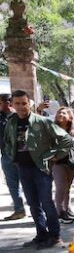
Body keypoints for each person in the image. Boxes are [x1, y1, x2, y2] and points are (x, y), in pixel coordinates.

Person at [1, 90, 74, 248]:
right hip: (23, 168)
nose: (21, 106)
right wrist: (12, 157)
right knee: (33, 204)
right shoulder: (11, 123)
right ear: (12, 104)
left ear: (29, 104)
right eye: (17, 103)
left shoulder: (42, 121)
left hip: (41, 169)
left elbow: (66, 140)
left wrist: (53, 156)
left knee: (46, 203)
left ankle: (54, 237)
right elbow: (6, 142)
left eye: (24, 103)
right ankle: (41, 234)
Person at [52, 107, 74, 224]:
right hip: (57, 162)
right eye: (59, 112)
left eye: (63, 113)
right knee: (61, 187)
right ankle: (59, 212)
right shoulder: (52, 129)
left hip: (71, 162)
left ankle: (67, 209)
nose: (60, 114)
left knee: (68, 187)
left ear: (70, 117)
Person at [0, 93, 25, 221]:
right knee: (12, 184)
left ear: (8, 103)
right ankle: (19, 209)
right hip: (6, 156)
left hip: (23, 156)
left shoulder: (20, 116)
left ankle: (39, 210)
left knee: (29, 183)